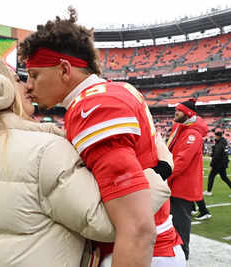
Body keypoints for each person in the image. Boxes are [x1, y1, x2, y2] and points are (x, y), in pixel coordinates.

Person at [19, 8, 184, 267]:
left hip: (134, 254)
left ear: (64, 70)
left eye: (34, 75)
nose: (28, 86)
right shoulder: (114, 91)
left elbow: (137, 229)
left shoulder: (94, 107)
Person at [0, 60, 119, 267]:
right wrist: (155, 174)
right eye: (17, 80)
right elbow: (104, 225)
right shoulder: (46, 150)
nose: (27, 86)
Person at [166, 99, 208, 260]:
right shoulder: (183, 130)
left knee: (180, 224)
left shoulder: (192, 134)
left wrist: (164, 175)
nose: (175, 112)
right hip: (175, 184)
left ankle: (183, 256)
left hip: (182, 187)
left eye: (179, 110)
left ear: (188, 113)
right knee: (173, 222)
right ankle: (176, 254)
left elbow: (181, 161)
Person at [203, 131, 231, 198]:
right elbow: (219, 153)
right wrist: (211, 154)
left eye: (215, 136)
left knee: (211, 176)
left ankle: (209, 191)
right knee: (224, 177)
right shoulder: (222, 142)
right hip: (223, 163)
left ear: (218, 136)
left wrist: (211, 165)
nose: (214, 137)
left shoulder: (220, 143)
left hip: (219, 163)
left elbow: (217, 155)